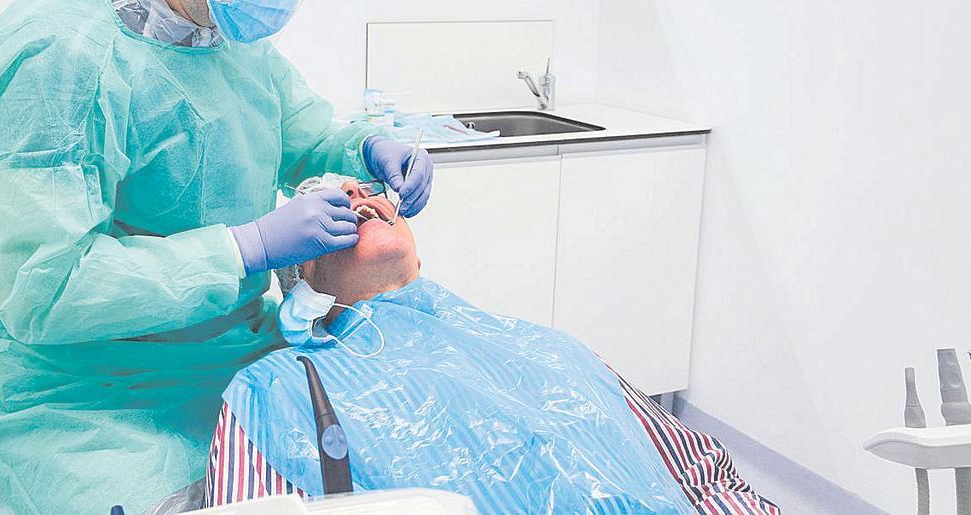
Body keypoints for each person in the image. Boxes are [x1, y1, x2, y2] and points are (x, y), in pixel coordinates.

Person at [0, 0, 434, 513]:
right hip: (85, 403)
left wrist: (364, 145)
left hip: (230, 362)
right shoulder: (63, 59)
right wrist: (244, 248)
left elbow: (300, 130)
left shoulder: (219, 29)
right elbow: (44, 287)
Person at [183, 177, 780, 515]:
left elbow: (699, 474)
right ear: (301, 282)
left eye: (365, 191)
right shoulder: (278, 389)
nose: (353, 194)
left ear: (419, 257)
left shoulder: (545, 346)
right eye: (325, 206)